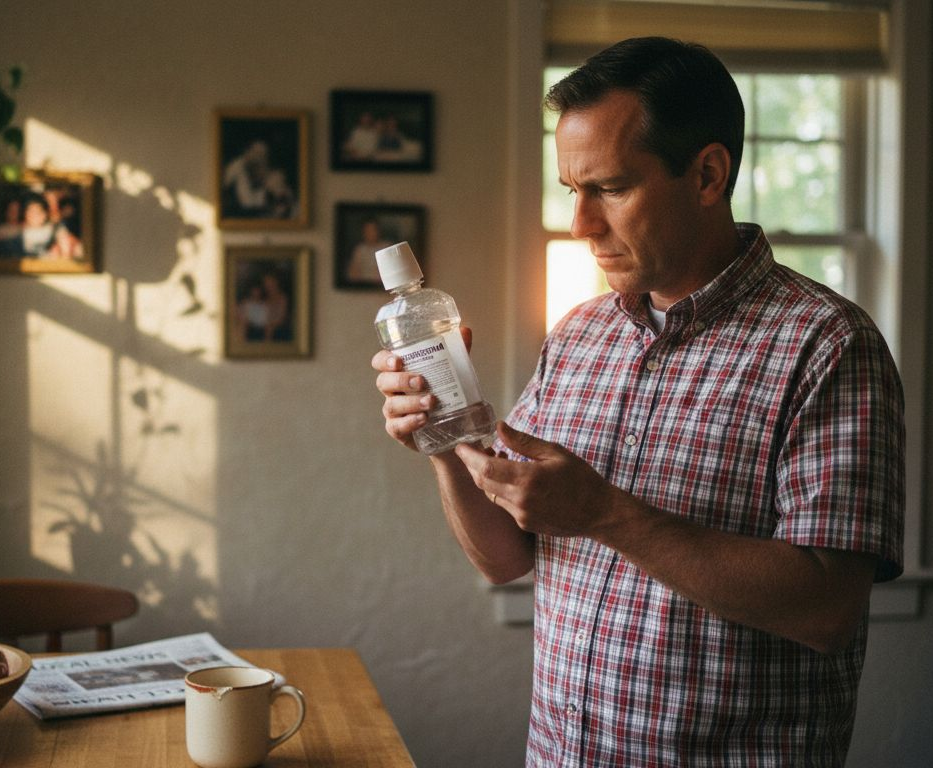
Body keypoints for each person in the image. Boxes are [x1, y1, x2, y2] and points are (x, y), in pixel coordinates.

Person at [371, 36, 904, 767]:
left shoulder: (827, 345)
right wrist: (444, 437)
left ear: (708, 174)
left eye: (612, 188)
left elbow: (827, 608)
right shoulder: (580, 336)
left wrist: (603, 513)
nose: (581, 224)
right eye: (572, 191)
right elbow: (505, 557)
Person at [346, 217, 391, 284]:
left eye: (373, 230)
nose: (370, 233)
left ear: (378, 231)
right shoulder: (359, 250)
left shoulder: (387, 247)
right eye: (367, 230)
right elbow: (352, 274)